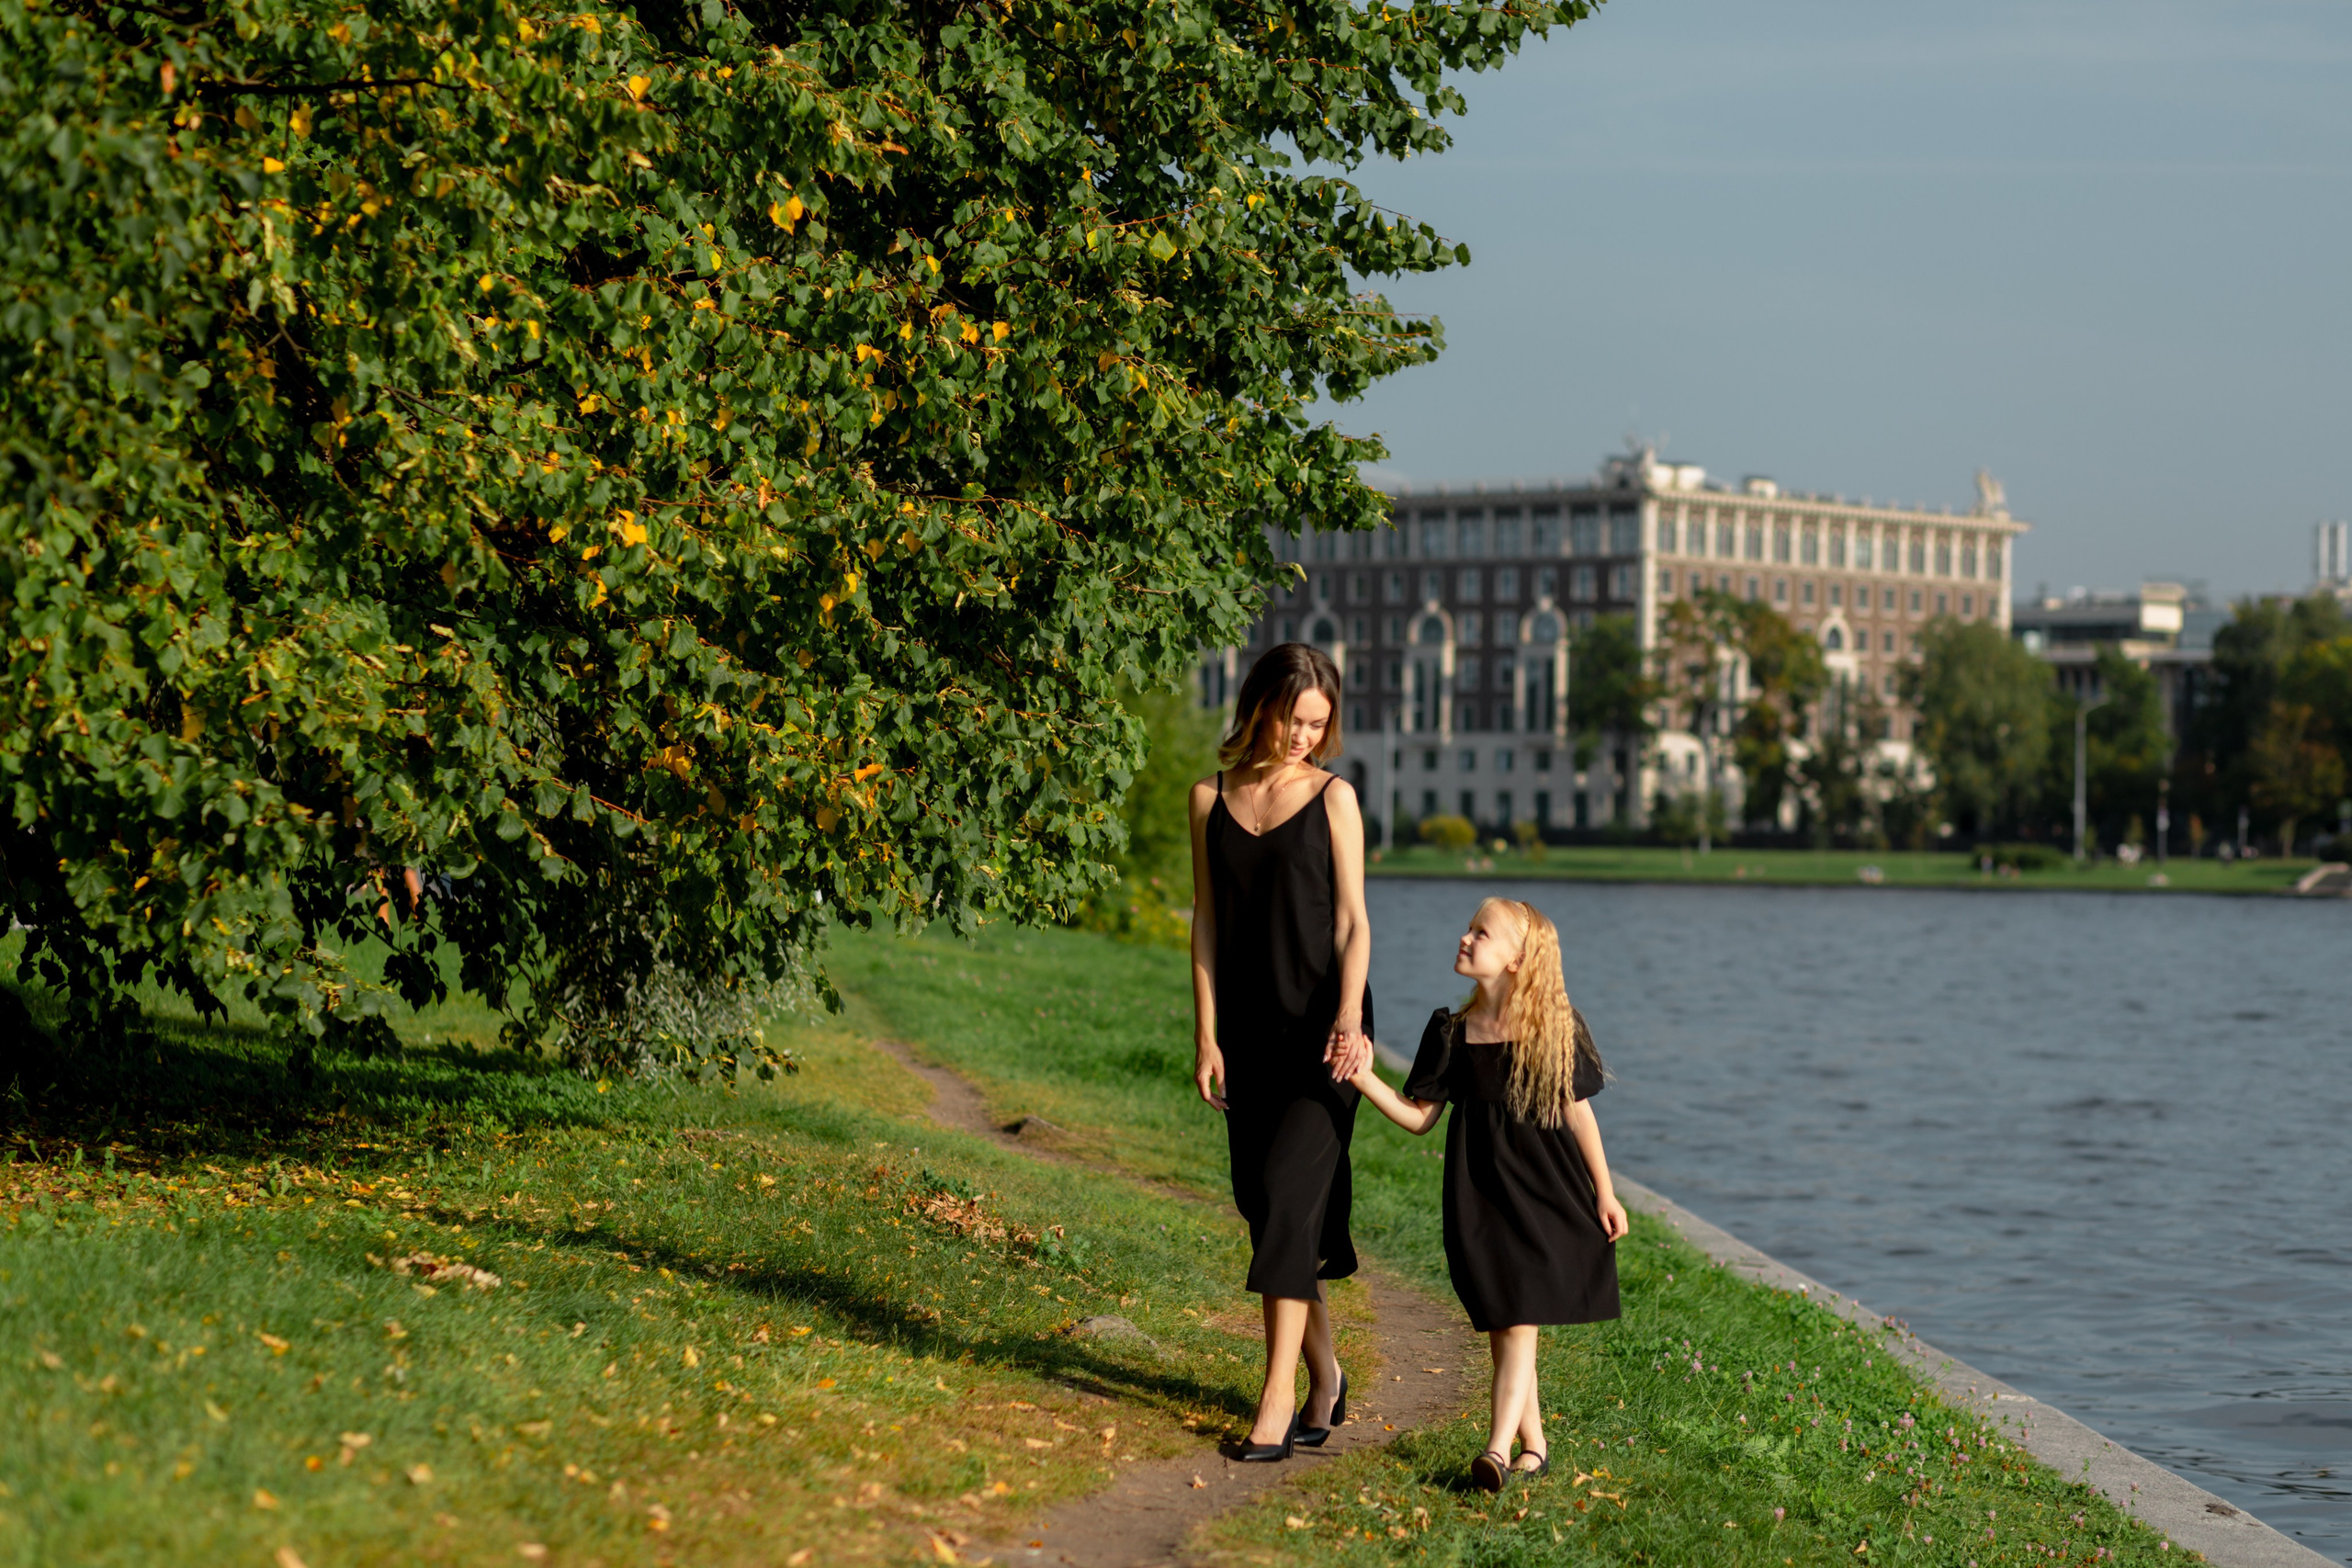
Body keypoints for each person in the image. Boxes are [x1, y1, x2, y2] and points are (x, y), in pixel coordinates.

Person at [1349, 897, 1629, 1492]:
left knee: (1519, 1317)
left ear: (1519, 960)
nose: (1466, 937)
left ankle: (1497, 1449)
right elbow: (1419, 1116)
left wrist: (1605, 1192)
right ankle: (1536, 1446)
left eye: (1483, 933)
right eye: (1469, 927)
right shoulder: (1450, 1033)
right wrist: (1362, 1075)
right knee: (1505, 1319)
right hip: (1478, 1196)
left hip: (1546, 1195)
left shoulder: (1556, 1030)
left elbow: (1579, 1117)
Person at [1188, 643, 1374, 1461]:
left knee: (1288, 1203)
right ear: (1259, 704)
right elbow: (1206, 922)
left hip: (1325, 1033)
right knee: (1267, 1213)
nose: (1304, 736)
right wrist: (1205, 1031)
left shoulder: (1335, 799)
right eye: (1293, 718)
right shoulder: (1209, 798)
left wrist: (1348, 1015)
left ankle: (1276, 1401)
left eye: (1318, 724)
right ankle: (1327, 1374)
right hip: (1251, 1033)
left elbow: (1353, 921)